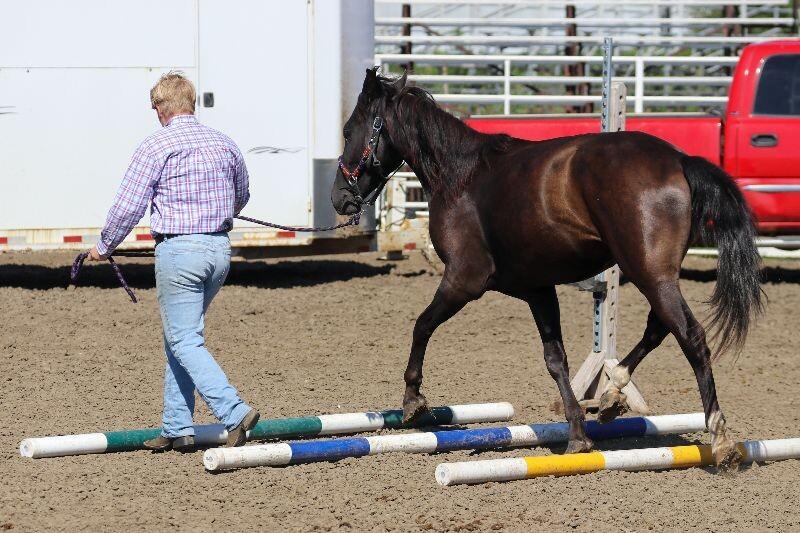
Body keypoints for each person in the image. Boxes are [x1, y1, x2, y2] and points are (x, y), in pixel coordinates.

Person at [87, 72, 259, 451]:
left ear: (162, 107)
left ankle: (233, 411)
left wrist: (104, 245)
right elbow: (242, 193)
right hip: (218, 251)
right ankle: (177, 426)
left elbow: (128, 205)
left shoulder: (156, 145)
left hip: (180, 253)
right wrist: (213, 212)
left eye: (154, 107)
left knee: (184, 338)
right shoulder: (223, 143)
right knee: (180, 337)